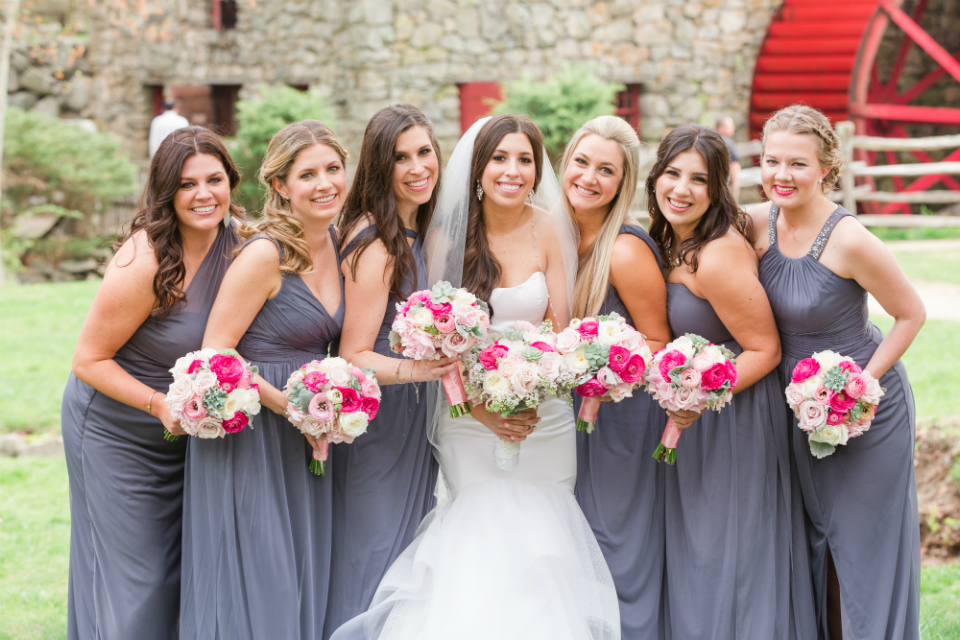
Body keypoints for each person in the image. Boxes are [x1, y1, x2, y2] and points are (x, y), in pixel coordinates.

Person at [331, 114, 621, 639]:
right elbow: (438, 339)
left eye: (525, 160)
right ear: (478, 168)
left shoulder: (552, 228)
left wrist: (535, 387)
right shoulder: (446, 235)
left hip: (544, 419)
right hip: (466, 413)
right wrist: (482, 407)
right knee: (482, 538)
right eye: (499, 159)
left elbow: (563, 332)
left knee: (545, 547)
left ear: (539, 168)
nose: (512, 171)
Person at [749, 105, 924, 640]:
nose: (782, 175)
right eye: (772, 160)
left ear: (826, 166)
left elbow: (910, 313)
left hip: (866, 406)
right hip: (795, 409)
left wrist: (857, 388)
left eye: (798, 164)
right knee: (815, 538)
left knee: (863, 544)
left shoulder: (848, 239)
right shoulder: (756, 223)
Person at [62, 126, 241, 640]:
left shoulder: (244, 246)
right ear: (168, 192)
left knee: (181, 575)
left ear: (231, 182)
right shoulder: (144, 258)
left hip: (189, 434)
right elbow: (89, 359)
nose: (204, 194)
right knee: (135, 581)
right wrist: (159, 405)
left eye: (214, 180)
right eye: (187, 185)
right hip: (117, 431)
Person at [179, 120, 347, 640]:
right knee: (257, 571)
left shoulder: (339, 243)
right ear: (280, 185)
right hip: (254, 429)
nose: (325, 184)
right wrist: (290, 406)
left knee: (297, 566)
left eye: (334, 169)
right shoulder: (264, 254)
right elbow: (216, 352)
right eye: (308, 174)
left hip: (305, 428)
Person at [649, 124, 817, 639]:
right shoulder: (675, 239)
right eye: (672, 173)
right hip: (706, 415)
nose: (681, 188)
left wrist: (696, 397)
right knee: (704, 549)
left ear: (717, 187)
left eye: (698, 180)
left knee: (731, 551)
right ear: (655, 176)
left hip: (734, 419)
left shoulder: (717, 253)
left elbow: (766, 350)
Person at [324, 104, 458, 636]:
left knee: (402, 558)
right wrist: (418, 370)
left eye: (424, 152)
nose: (417, 167)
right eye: (401, 157)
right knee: (373, 554)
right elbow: (353, 353)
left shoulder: (415, 231)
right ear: (381, 167)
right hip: (378, 419)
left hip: (411, 414)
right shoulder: (376, 241)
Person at [559, 115, 671, 638]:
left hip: (619, 424)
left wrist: (601, 366)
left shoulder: (624, 249)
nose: (589, 177)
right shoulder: (548, 235)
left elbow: (657, 340)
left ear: (622, 184)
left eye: (606, 170)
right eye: (582, 162)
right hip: (559, 423)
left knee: (615, 547)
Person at [716, 116, 741, 201]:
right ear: (721, 128)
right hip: (727, 185)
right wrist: (735, 184)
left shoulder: (713, 141)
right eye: (730, 126)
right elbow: (733, 164)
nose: (733, 128)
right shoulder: (727, 142)